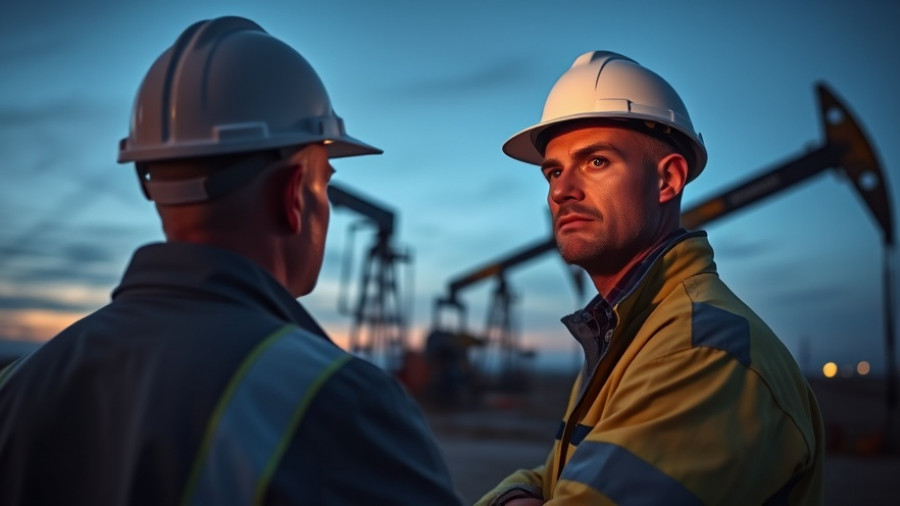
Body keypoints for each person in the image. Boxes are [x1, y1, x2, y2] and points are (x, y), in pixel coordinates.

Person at [0, 16, 461, 505]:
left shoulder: (17, 386)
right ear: (292, 195)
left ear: (149, 184)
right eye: (324, 182)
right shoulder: (341, 403)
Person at [476, 51, 824, 505]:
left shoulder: (701, 352)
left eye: (596, 161)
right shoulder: (627, 330)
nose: (561, 191)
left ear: (668, 179)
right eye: (554, 171)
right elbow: (556, 475)